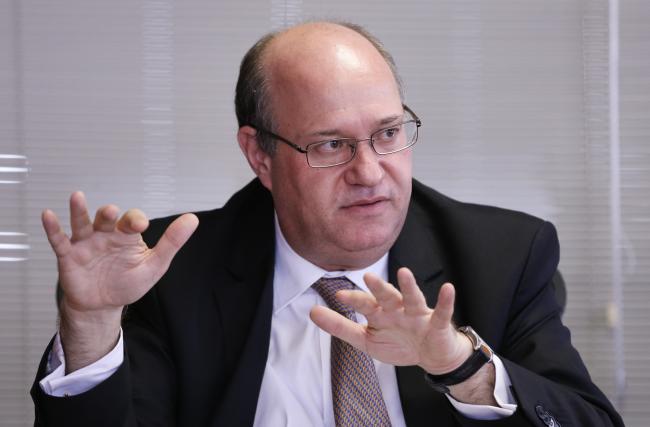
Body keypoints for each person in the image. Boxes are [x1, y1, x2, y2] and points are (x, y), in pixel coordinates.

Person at [31, 21, 623, 426]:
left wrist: (462, 367)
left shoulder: (504, 255)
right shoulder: (169, 268)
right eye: (331, 144)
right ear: (260, 155)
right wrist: (89, 328)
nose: (370, 172)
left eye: (388, 134)